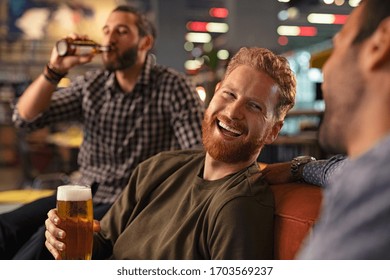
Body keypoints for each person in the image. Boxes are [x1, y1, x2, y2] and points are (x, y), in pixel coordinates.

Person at [44, 46, 297, 260]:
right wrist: (65, 240)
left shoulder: (238, 205)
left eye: (254, 106)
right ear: (215, 93)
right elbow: (103, 242)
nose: (232, 112)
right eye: (229, 94)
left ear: (273, 130)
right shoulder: (159, 167)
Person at [0, 5, 204, 259]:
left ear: (145, 42)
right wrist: (55, 69)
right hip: (81, 191)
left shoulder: (173, 86)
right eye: (107, 31)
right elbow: (24, 118)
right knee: (5, 227)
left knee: (40, 244)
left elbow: (197, 154)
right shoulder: (92, 85)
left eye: (121, 31)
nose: (110, 38)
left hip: (129, 203)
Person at [268, 0, 390, 260]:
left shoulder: (379, 189)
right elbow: (339, 169)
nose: (326, 72)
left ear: (380, 44)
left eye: (338, 45)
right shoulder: (366, 169)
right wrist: (298, 168)